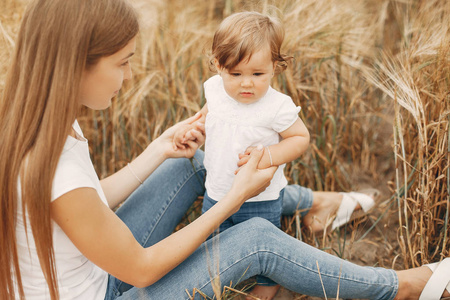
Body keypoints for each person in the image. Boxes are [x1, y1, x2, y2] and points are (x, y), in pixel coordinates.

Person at [1, 1, 448, 300]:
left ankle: (313, 203)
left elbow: (88, 201)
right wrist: (233, 200)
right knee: (254, 239)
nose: (129, 75)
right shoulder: (54, 168)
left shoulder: (38, 122)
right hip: (112, 289)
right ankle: (402, 287)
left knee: (199, 159)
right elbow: (140, 270)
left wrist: (159, 149)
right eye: (123, 62)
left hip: (97, 267)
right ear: (75, 64)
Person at [171, 12, 377, 299]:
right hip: (216, 192)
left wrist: (268, 154)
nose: (246, 84)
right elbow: (211, 114)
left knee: (264, 241)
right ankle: (221, 281)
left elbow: (299, 138)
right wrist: (196, 128)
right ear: (218, 65)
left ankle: (268, 286)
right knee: (211, 246)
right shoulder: (215, 89)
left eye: (258, 74)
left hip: (260, 197)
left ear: (275, 67)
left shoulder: (276, 106)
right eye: (236, 74)